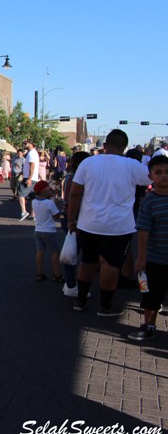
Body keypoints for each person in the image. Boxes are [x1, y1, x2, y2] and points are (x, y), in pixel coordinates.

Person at [67, 129, 152, 316]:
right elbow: (152, 178)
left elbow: (74, 193)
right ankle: (105, 306)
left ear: (104, 146)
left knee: (87, 261)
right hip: (119, 227)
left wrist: (71, 219)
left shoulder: (88, 163)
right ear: (124, 147)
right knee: (111, 265)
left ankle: (80, 300)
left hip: (88, 223)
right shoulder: (131, 165)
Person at [128, 155, 168, 341]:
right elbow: (143, 231)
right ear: (150, 176)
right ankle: (148, 326)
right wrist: (141, 257)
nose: (164, 176)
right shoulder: (149, 201)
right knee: (151, 296)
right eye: (158, 172)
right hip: (155, 258)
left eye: (167, 172)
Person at [61, 151, 90, 297]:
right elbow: (74, 198)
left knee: (70, 251)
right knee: (73, 253)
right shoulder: (77, 179)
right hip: (75, 218)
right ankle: (71, 285)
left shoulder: (69, 177)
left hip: (68, 217)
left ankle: (69, 283)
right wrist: (73, 219)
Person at [31, 180, 63, 282]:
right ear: (44, 191)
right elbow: (56, 215)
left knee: (40, 251)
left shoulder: (34, 202)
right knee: (55, 252)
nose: (51, 191)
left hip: (38, 230)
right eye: (49, 189)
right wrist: (63, 214)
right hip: (49, 231)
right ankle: (57, 275)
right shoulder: (50, 203)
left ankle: (40, 273)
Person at [18, 140, 40, 221]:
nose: (24, 144)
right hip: (33, 178)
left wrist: (29, 178)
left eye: (26, 143)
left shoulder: (31, 153)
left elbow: (32, 166)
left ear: (31, 144)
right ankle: (33, 214)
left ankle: (24, 212)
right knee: (32, 196)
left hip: (29, 178)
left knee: (20, 193)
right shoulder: (34, 153)